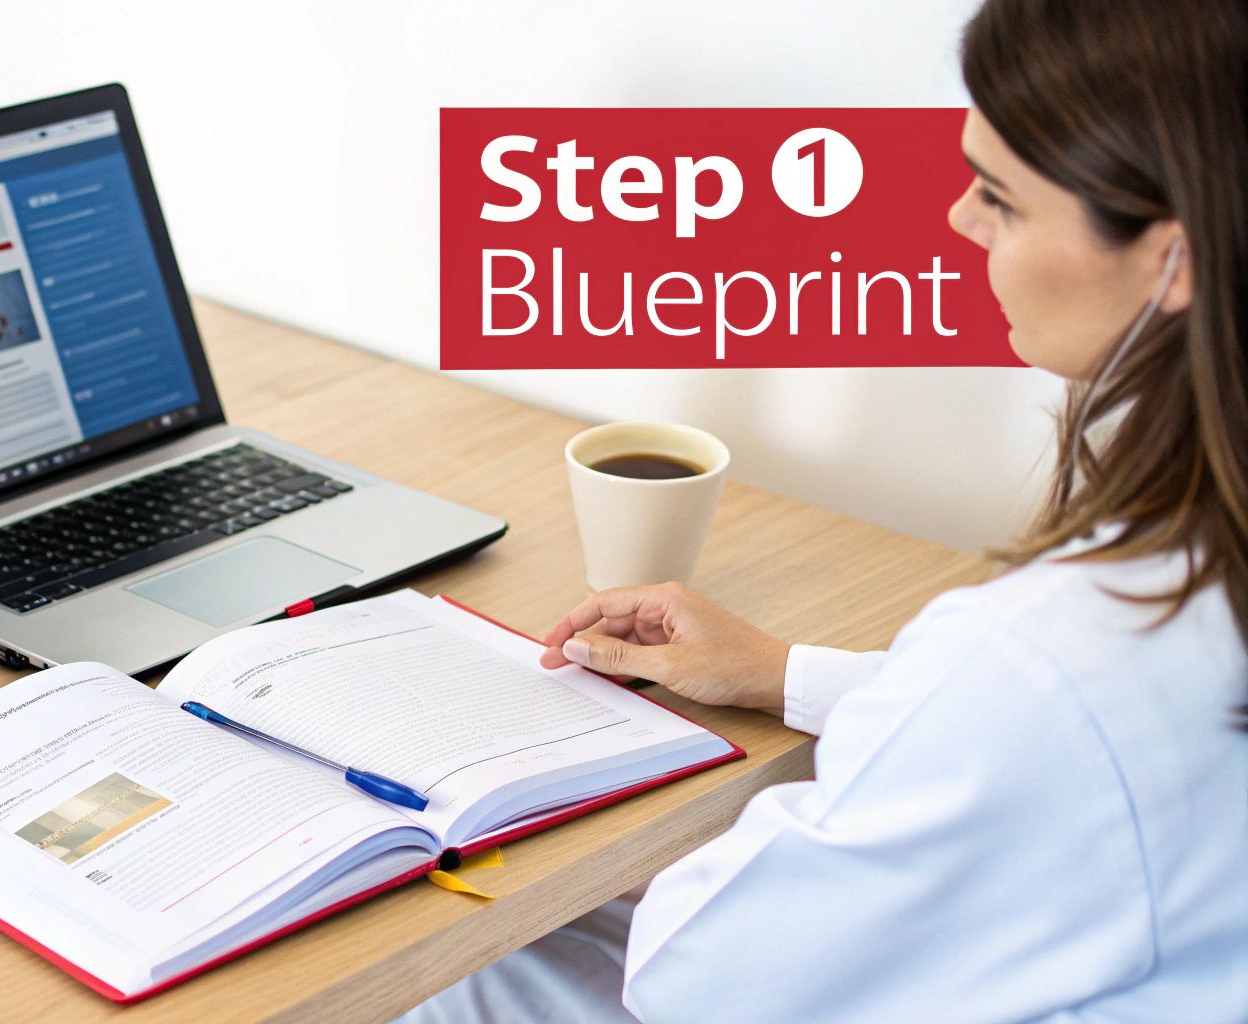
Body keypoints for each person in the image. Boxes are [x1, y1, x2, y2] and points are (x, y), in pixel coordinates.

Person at [399, 0, 1248, 1019]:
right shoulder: (1154, 606)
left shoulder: (1058, 649)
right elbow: (1016, 731)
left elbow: (698, 980)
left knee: (464, 976)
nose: (957, 221)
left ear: (1173, 257)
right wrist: (783, 673)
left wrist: (647, 856)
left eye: (999, 197)